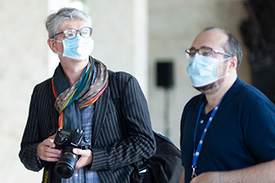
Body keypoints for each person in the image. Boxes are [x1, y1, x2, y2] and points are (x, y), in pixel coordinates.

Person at [19, 7, 156, 183]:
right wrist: (39, 151)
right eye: (69, 34)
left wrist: (95, 157)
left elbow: (145, 143)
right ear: (53, 45)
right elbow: (26, 152)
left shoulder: (121, 84)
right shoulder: (43, 92)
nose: (79, 39)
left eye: (84, 32)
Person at [180, 27, 275, 183]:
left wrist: (220, 179)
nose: (196, 60)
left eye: (206, 53)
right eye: (192, 53)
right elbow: (187, 167)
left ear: (231, 63)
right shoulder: (191, 108)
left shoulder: (252, 105)